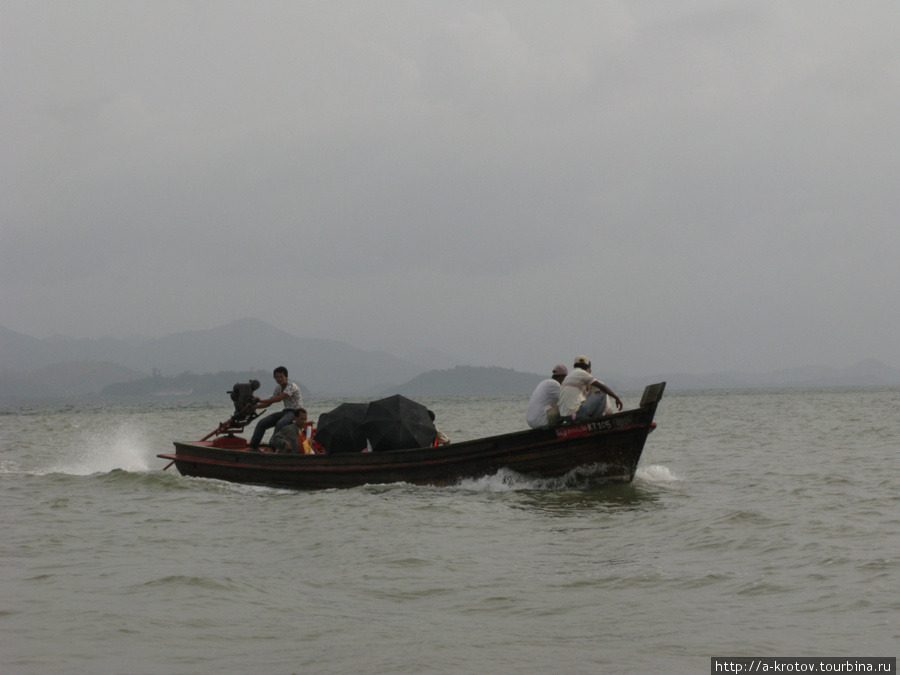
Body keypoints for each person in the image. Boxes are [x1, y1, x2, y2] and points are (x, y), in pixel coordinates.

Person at [249, 366, 303, 450]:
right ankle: (253, 447)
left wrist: (260, 400)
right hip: (286, 411)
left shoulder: (292, 386)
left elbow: (279, 398)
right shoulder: (278, 388)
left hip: (295, 412)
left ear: (286, 377)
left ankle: (272, 447)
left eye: (281, 377)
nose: (279, 379)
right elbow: (269, 402)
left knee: (280, 423)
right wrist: (254, 407)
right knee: (262, 423)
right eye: (277, 377)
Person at [557, 356, 623, 421]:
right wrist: (616, 398)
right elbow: (602, 387)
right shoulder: (582, 373)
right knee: (602, 392)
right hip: (576, 415)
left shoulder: (569, 376)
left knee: (588, 395)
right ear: (588, 369)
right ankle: (596, 421)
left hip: (565, 417)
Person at [525, 364, 568, 428]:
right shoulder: (555, 384)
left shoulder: (545, 383)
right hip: (541, 421)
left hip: (531, 422)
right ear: (562, 377)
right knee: (567, 407)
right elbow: (568, 400)